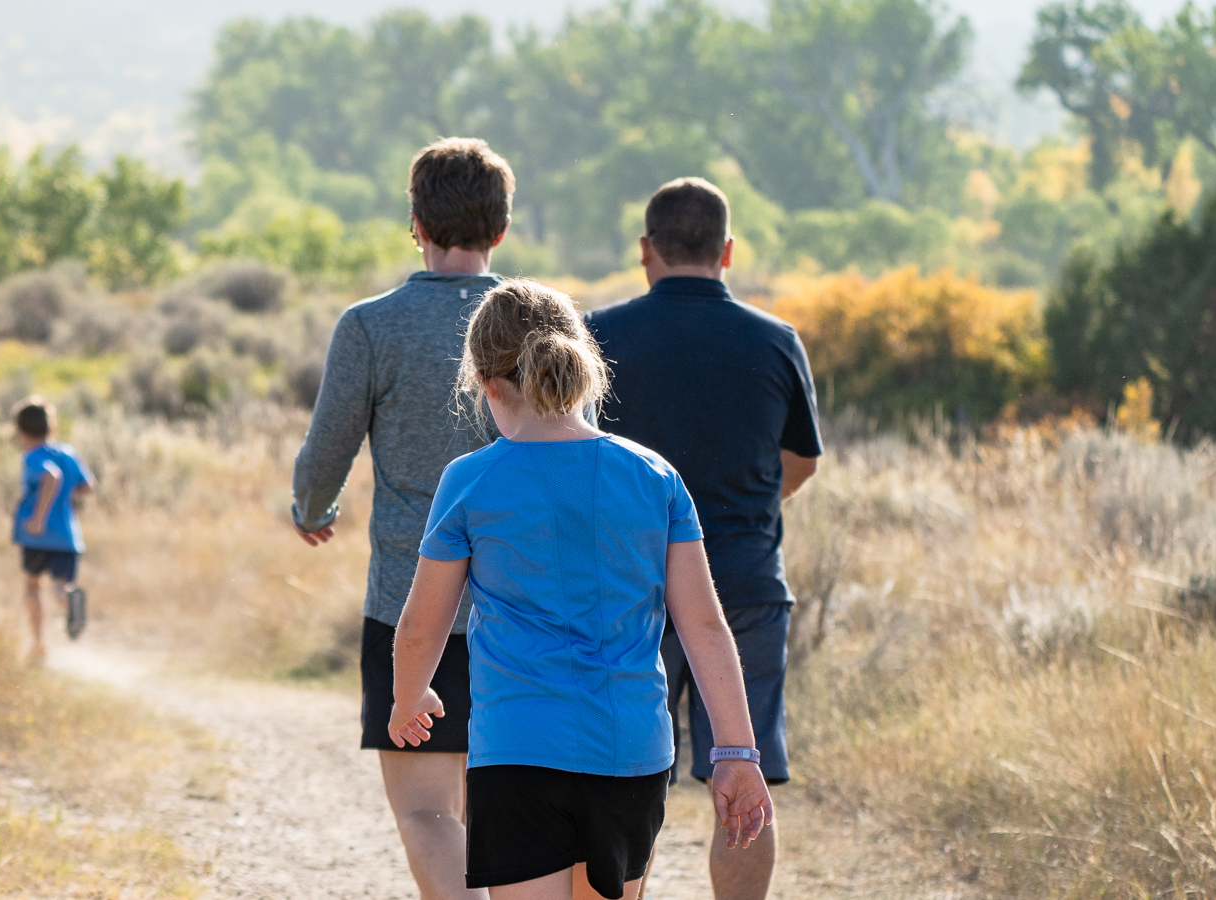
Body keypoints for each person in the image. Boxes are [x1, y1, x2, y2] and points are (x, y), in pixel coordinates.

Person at [388, 278, 774, 900]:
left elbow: (420, 625)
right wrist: (736, 751)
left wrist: (409, 698)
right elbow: (703, 625)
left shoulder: (470, 481)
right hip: (630, 753)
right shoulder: (655, 476)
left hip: (518, 751)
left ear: (487, 386)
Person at [583, 177, 821, 900]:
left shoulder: (595, 336)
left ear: (645, 250)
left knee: (625, 783)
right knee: (745, 785)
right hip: (744, 584)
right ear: (727, 250)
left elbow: (571, 456)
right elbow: (803, 460)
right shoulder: (776, 341)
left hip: (628, 587)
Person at [291, 137, 513, 900]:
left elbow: (326, 453)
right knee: (513, 808)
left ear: (414, 222)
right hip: (530, 604)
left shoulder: (370, 325)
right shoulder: (541, 319)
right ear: (502, 229)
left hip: (410, 603)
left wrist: (312, 510)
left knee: (427, 811)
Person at [11, 397, 95, 660]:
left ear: (21, 432)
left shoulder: (33, 457)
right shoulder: (68, 453)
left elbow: (51, 476)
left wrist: (38, 518)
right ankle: (70, 599)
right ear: (52, 427)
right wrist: (66, 495)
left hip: (36, 537)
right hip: (67, 536)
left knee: (32, 586)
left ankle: (38, 644)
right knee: (61, 585)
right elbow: (88, 487)